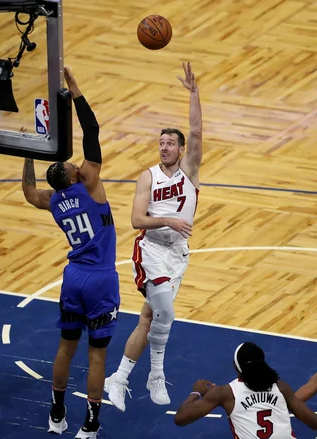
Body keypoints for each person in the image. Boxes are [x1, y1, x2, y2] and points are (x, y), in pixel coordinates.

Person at [21, 66, 118, 439]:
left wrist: (27, 152)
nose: (75, 161)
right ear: (74, 176)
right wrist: (76, 91)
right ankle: (90, 423)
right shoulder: (90, 184)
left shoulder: (54, 201)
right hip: (99, 279)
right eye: (71, 164)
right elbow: (92, 132)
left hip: (72, 278)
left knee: (66, 347)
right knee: (97, 355)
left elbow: (30, 193)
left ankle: (57, 411)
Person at [104, 61, 202, 412]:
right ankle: (155, 376)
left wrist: (194, 93)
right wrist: (168, 222)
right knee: (166, 313)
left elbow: (197, 131)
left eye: (170, 143)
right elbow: (135, 220)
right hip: (151, 251)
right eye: (160, 142)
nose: (163, 147)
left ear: (180, 149)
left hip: (178, 256)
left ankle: (118, 378)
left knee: (150, 318)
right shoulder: (148, 177)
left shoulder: (190, 172)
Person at [174, 342, 317, 438]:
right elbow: (312, 421)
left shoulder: (225, 393)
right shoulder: (280, 387)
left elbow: (181, 419)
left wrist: (196, 392)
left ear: (236, 366)